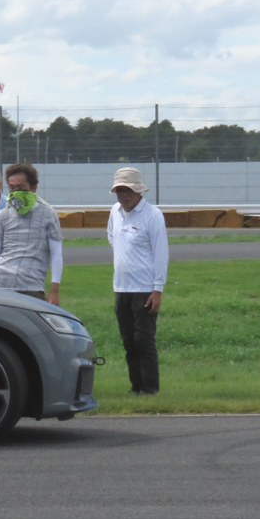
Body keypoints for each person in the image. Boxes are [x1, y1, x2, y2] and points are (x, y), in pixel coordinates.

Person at [108, 167, 169, 396]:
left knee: (144, 340)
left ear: (138, 191)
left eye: (128, 190)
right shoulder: (115, 212)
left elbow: (161, 253)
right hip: (121, 286)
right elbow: (112, 237)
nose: (123, 195)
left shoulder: (153, 215)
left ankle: (150, 388)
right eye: (119, 190)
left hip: (144, 288)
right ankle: (135, 386)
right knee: (128, 341)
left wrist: (157, 289)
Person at [0, 163, 63, 305]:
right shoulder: (3, 215)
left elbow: (56, 253)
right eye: (12, 188)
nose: (16, 192)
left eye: (20, 188)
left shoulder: (48, 214)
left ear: (33, 188)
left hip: (32, 287)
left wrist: (54, 290)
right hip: (1, 285)